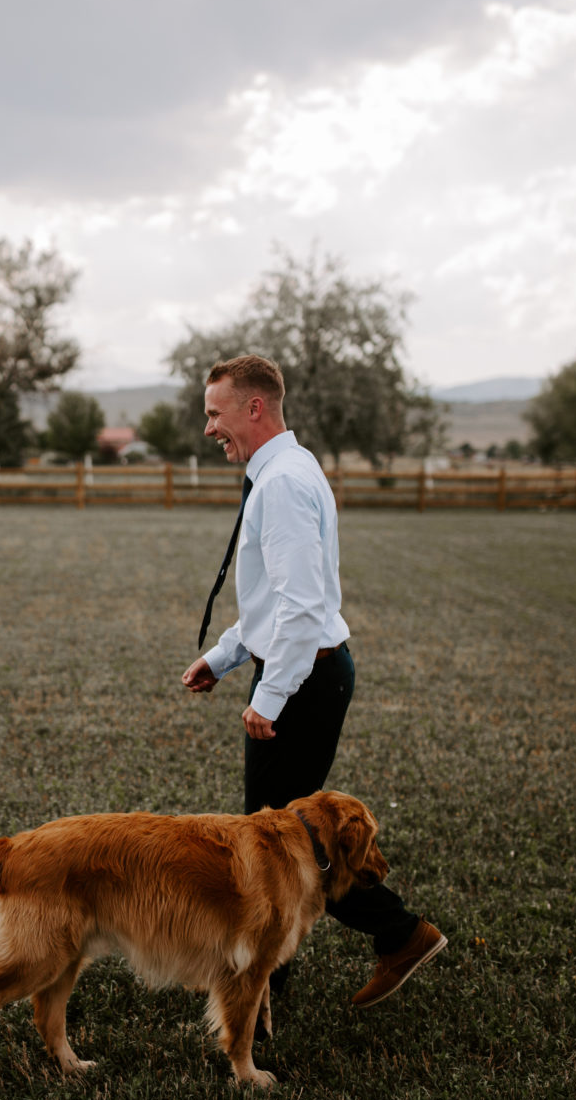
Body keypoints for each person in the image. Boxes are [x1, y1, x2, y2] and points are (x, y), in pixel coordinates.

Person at [180, 355, 445, 1008]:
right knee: (287, 838)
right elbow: (279, 600)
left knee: (281, 843)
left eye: (215, 413)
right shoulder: (281, 473)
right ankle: (282, 973)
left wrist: (269, 694)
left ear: (254, 408)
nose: (209, 427)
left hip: (304, 678)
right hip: (304, 669)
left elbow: (301, 607)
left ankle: (395, 935)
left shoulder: (283, 484)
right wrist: (225, 655)